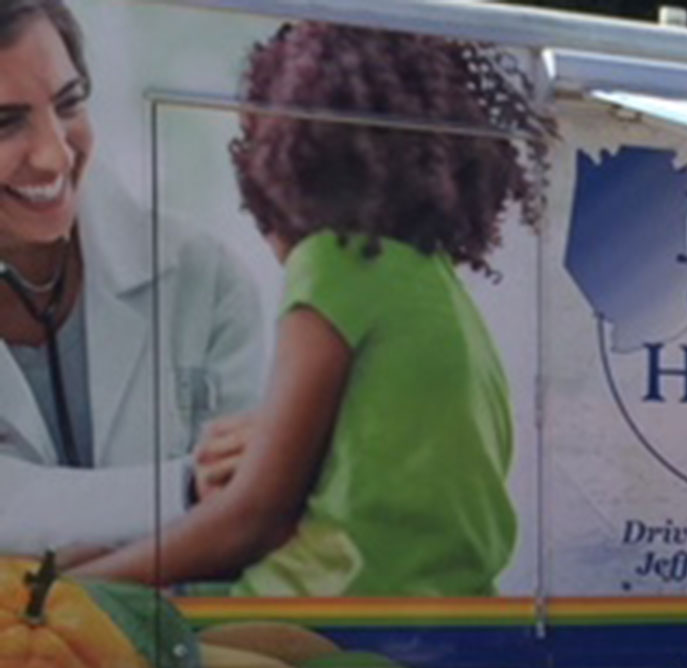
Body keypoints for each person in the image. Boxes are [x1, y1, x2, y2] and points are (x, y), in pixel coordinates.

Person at [74, 22, 549, 596]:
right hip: (443, 622)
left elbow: (253, 520)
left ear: (281, 167)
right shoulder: (437, 288)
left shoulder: (340, 263)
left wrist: (63, 591)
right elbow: (391, 474)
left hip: (336, 614)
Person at [0, 0, 266, 555]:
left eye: (69, 103)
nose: (53, 156)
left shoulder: (202, 278)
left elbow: (249, 516)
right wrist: (186, 485)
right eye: (5, 124)